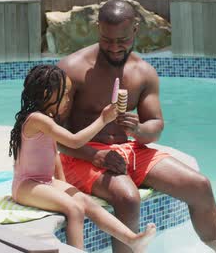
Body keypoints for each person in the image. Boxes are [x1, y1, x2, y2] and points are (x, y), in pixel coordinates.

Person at [57, 0, 216, 253]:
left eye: (122, 40)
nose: (115, 47)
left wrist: (140, 131)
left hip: (127, 150)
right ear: (98, 28)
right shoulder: (72, 69)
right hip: (80, 154)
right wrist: (95, 155)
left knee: (200, 186)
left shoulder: (143, 72)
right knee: (127, 198)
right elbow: (54, 135)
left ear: (135, 29)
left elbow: (156, 124)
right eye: (108, 40)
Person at [9, 64, 156, 252]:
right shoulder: (37, 119)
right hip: (26, 185)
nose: (67, 100)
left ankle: (131, 239)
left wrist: (62, 185)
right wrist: (103, 119)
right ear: (47, 94)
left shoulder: (47, 118)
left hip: (45, 182)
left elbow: (53, 154)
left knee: (86, 202)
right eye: (64, 95)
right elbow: (74, 141)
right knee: (74, 209)